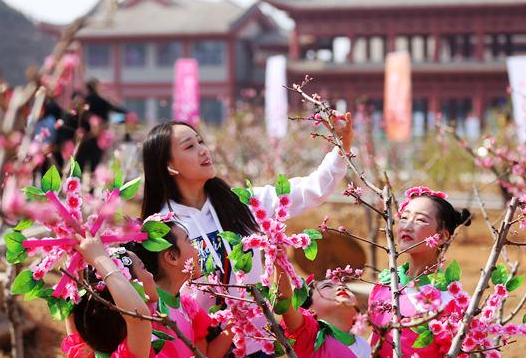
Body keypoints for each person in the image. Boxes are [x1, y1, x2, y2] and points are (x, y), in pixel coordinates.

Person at [141, 115, 352, 357]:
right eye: (190, 146)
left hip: (258, 343)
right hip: (202, 349)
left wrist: (341, 145)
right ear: (169, 166)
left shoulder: (244, 203)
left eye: (201, 142)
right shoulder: (162, 227)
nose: (203, 151)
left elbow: (309, 191)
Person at [368, 186, 472, 357]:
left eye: (420, 220)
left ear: (443, 236)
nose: (407, 226)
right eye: (404, 217)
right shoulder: (385, 285)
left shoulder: (449, 300)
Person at [126, 221, 233, 358]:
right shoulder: (146, 314)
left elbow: (204, 355)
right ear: (172, 257)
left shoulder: (188, 306)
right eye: (189, 242)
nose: (196, 249)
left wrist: (236, 321)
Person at [62, 232, 152, 358]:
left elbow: (73, 304)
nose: (152, 275)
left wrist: (77, 264)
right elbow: (138, 317)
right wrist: (99, 257)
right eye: (144, 268)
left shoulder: (81, 353)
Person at [277, 264, 371, 358]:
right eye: (327, 286)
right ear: (309, 309)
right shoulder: (310, 335)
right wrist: (279, 264)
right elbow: (286, 304)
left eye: (346, 288)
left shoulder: (365, 346)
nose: (341, 288)